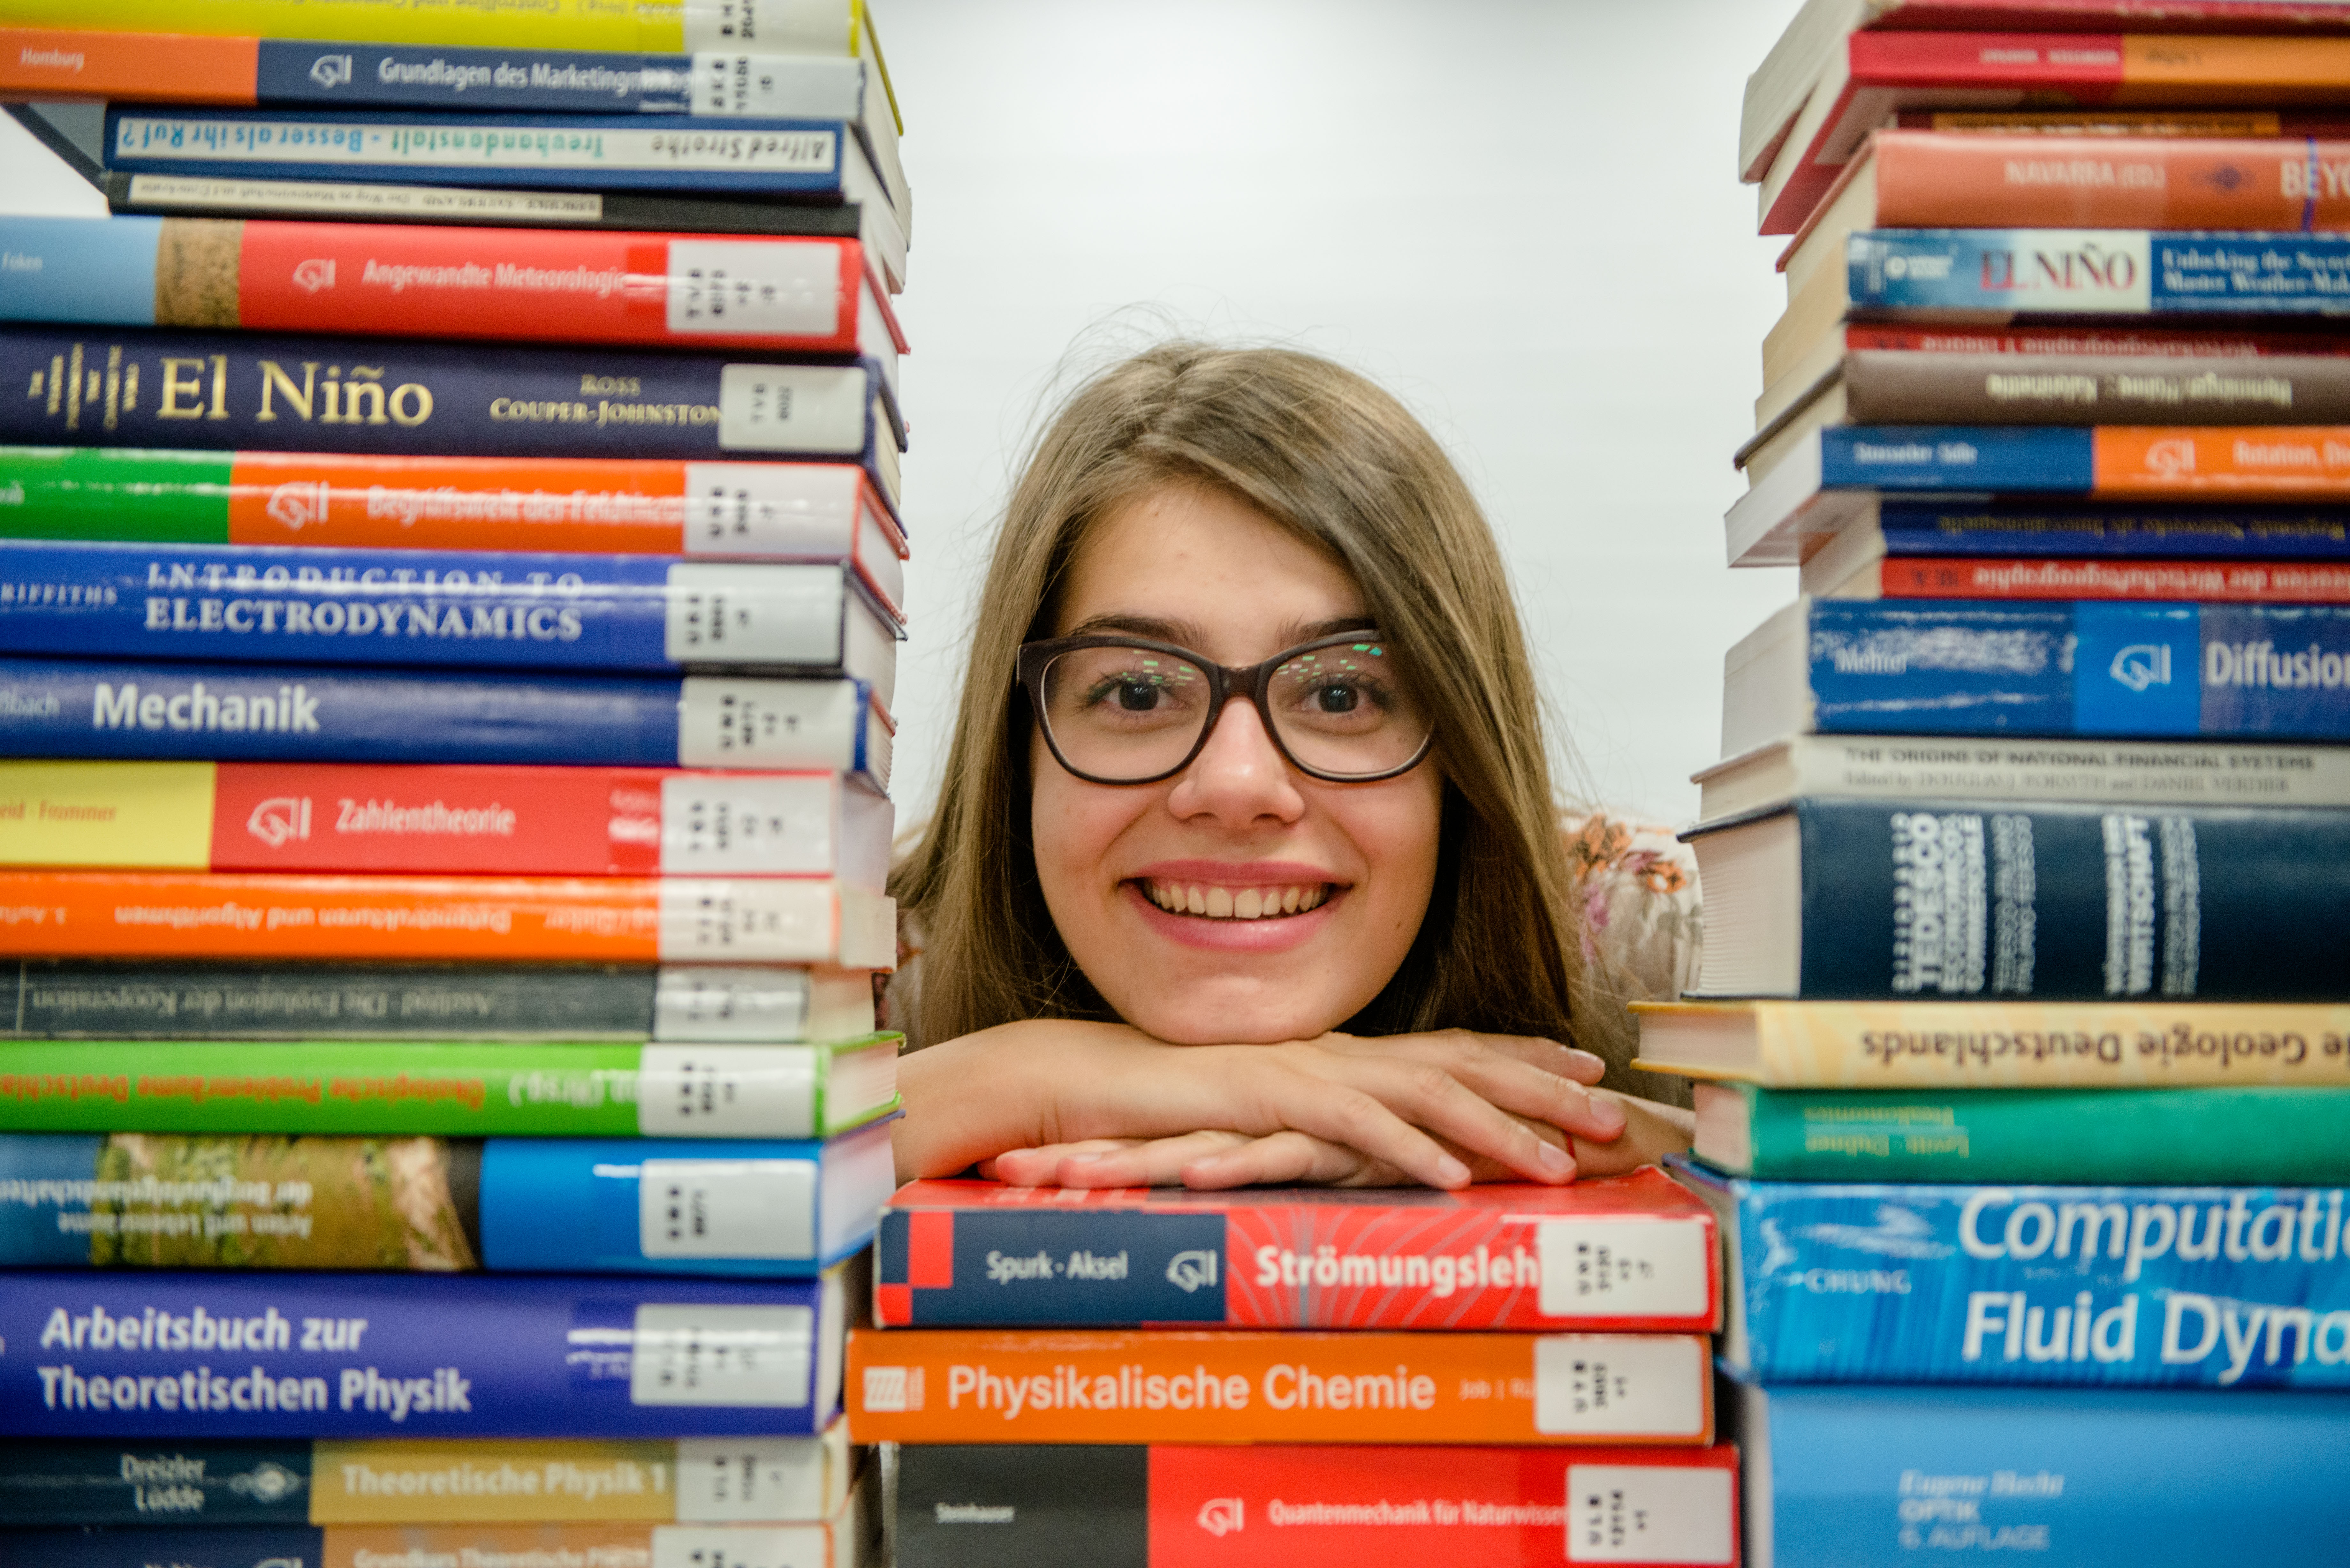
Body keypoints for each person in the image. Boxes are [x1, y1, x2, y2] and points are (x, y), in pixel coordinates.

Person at [887, 342, 1696, 1190]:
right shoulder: (863, 974)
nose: (1238, 788)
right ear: (1017, 749)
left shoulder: (1661, 947)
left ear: (1464, 745)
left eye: (1342, 695)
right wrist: (1023, 1083)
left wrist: (1623, 1141)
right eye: (1135, 691)